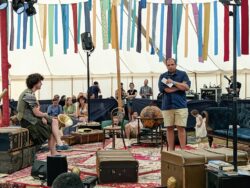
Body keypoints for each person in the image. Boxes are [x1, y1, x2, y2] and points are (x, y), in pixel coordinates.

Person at [16, 73, 69, 155]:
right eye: (40, 82)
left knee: (54, 122)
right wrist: (44, 115)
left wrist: (43, 117)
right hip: (28, 122)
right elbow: (36, 112)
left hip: (31, 119)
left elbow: (36, 111)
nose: (41, 83)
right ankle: (57, 147)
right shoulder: (29, 94)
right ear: (35, 83)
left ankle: (58, 145)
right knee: (53, 126)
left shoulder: (30, 93)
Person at [158, 58, 191, 151]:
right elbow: (165, 90)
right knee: (169, 128)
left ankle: (183, 151)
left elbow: (186, 87)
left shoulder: (183, 74)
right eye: (168, 65)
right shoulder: (163, 77)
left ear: (176, 65)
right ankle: (171, 151)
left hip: (180, 106)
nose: (170, 66)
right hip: (167, 106)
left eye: (172, 64)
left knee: (181, 128)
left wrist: (173, 82)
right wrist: (179, 87)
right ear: (166, 66)